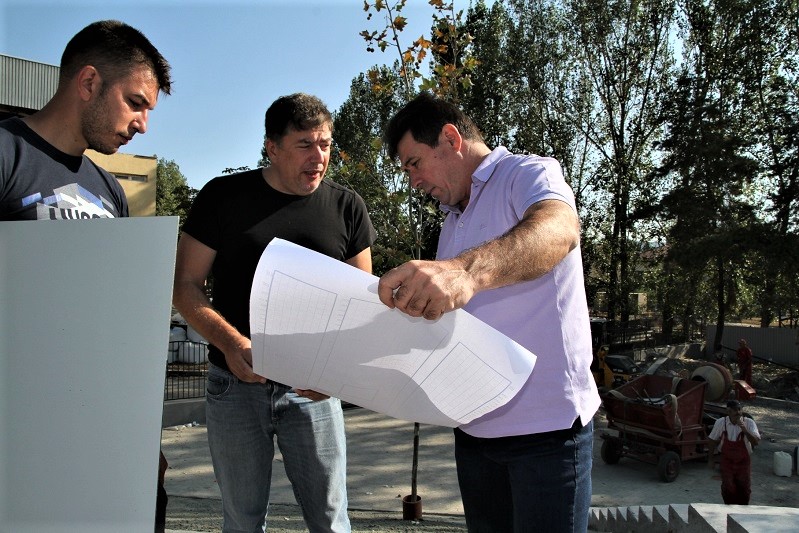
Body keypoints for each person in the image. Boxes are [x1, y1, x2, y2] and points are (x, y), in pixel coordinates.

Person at [377, 92, 601, 532]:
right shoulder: (452, 220)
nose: (413, 181)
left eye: (414, 163)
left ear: (450, 138)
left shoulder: (527, 173)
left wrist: (464, 272)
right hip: (474, 435)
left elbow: (559, 230)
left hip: (546, 435)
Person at [172, 93, 376, 532]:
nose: (319, 157)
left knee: (330, 521)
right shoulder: (222, 197)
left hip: (314, 390)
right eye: (305, 144)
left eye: (325, 144)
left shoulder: (347, 207)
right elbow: (185, 286)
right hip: (234, 387)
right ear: (272, 147)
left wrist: (334, 372)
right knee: (242, 522)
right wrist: (231, 343)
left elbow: (361, 307)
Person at [0, 19, 173, 530]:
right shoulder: (6, 154)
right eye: (136, 103)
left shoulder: (109, 191)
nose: (143, 124)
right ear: (90, 82)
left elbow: (113, 326)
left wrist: (138, 437)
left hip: (88, 435)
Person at [708, 399, 761, 505]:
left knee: (744, 487)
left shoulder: (749, 422)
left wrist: (745, 430)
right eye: (735, 410)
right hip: (727, 461)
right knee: (728, 487)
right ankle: (729, 508)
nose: (738, 412)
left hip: (743, 461)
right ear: (728, 411)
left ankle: (743, 509)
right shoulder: (721, 423)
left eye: (739, 409)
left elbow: (756, 442)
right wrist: (711, 459)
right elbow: (712, 440)